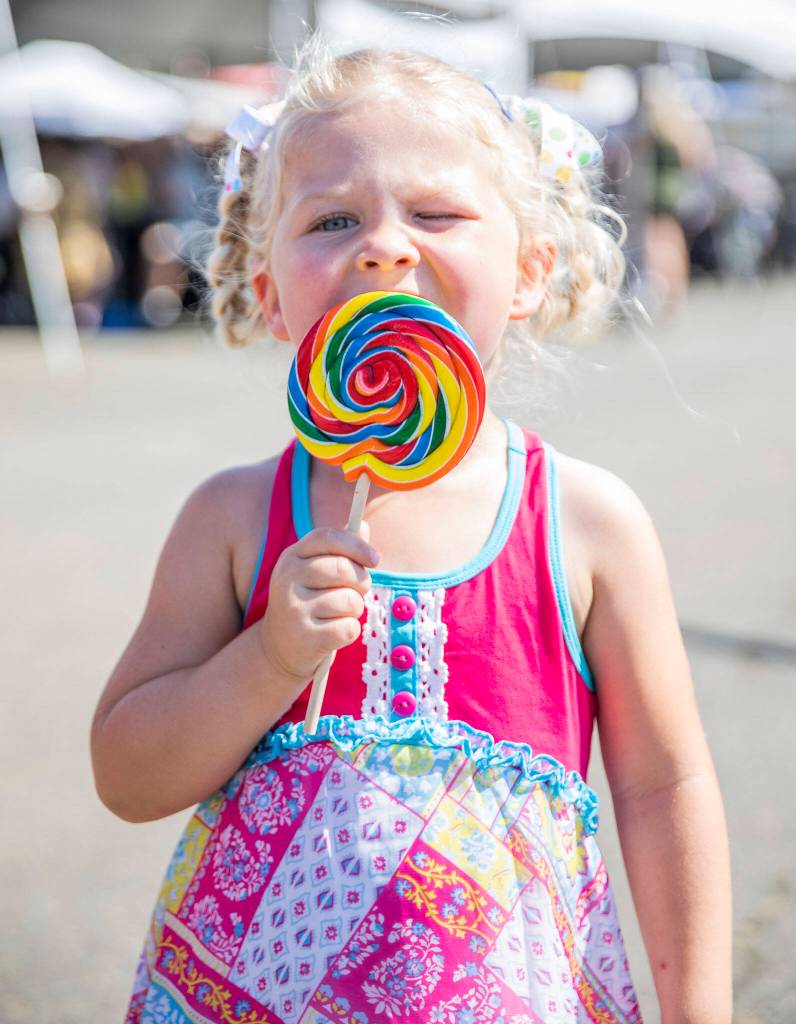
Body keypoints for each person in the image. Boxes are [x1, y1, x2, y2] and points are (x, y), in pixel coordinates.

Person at [91, 42, 732, 1024]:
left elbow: (662, 787)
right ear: (269, 294)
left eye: (434, 213)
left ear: (527, 272)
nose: (385, 245)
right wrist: (266, 660)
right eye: (334, 219)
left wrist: (700, 1010)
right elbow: (128, 775)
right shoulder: (231, 518)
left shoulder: (585, 521)